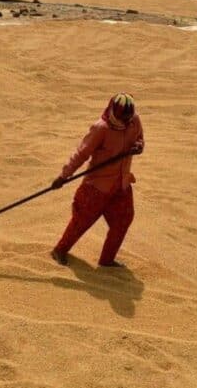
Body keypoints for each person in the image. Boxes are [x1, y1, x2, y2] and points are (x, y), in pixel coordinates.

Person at [50, 93, 144, 267]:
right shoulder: (101, 128)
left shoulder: (134, 121)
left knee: (123, 220)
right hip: (96, 188)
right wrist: (64, 176)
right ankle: (60, 250)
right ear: (113, 112)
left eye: (127, 119)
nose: (125, 122)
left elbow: (140, 138)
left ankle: (107, 260)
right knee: (81, 221)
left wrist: (138, 147)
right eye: (122, 118)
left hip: (121, 185)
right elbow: (81, 153)